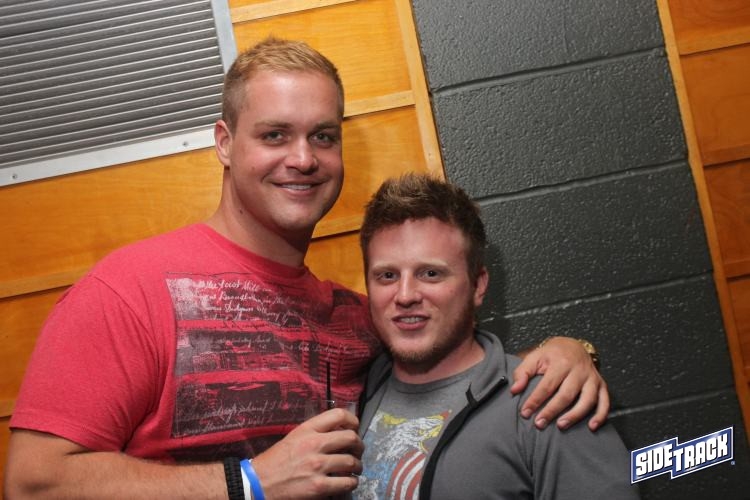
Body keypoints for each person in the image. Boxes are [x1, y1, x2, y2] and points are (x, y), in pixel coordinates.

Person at [4, 38, 606, 500]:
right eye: (274, 135)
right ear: (224, 142)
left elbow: (448, 351)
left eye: (322, 136)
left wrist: (567, 353)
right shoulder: (129, 290)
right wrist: (249, 483)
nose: (302, 159)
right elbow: (33, 485)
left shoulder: (355, 320)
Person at [354, 173, 639, 499]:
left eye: (430, 273)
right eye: (387, 275)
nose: (405, 295)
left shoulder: (547, 403)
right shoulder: (358, 389)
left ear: (478, 285)